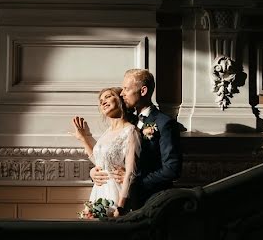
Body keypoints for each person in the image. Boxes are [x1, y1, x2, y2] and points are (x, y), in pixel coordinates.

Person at [91, 69, 182, 211]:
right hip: (120, 196)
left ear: (143, 91)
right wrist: (94, 173)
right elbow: (109, 153)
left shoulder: (164, 123)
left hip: (151, 202)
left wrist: (135, 180)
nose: (122, 93)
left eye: (126, 89)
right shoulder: (126, 123)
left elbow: (171, 170)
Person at [71, 87, 141, 217]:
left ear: (120, 99)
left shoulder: (130, 131)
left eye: (108, 96)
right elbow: (100, 161)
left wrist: (120, 207)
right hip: (99, 192)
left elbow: (130, 173)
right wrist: (83, 138)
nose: (103, 102)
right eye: (101, 100)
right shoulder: (107, 133)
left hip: (117, 193)